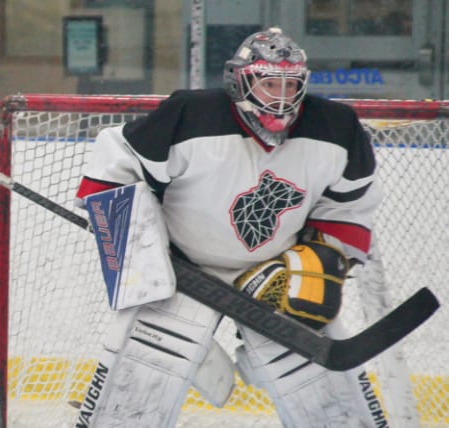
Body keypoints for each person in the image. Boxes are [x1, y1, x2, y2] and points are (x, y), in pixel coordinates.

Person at [73, 28, 387, 427]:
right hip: (181, 271)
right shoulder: (191, 115)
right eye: (269, 83)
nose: (281, 97)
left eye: (291, 85)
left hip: (276, 276)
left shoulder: (336, 127)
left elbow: (353, 204)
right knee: (134, 393)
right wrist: (144, 265)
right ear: (240, 80)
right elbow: (113, 165)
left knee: (328, 398)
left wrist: (322, 260)